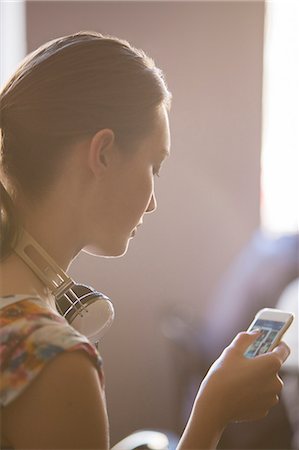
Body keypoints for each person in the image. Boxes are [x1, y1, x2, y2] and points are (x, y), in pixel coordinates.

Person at [0, 31, 291, 450]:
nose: (153, 202)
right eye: (154, 165)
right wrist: (213, 412)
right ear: (102, 152)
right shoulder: (52, 359)